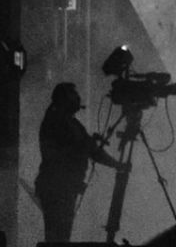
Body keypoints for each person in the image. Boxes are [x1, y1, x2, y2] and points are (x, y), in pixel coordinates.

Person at [34, 83, 127, 242]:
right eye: (74, 95)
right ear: (65, 100)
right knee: (58, 236)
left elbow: (91, 150)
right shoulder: (55, 121)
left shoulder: (69, 122)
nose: (78, 99)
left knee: (61, 236)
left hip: (64, 188)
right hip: (57, 189)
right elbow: (63, 153)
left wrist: (115, 164)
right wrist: (88, 146)